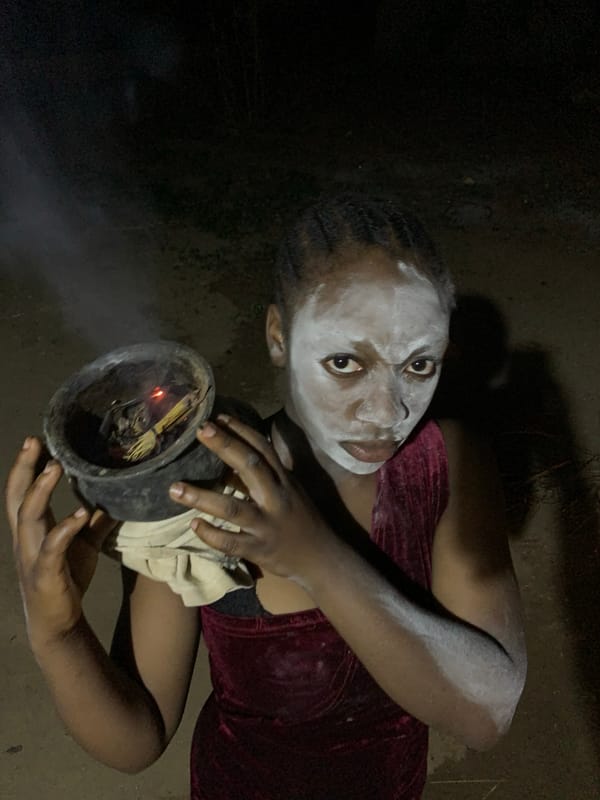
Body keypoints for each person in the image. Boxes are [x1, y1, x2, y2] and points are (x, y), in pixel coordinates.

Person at [5, 194, 527, 800]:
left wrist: (315, 560)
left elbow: (488, 714)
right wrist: (59, 635)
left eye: (418, 366)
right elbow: (137, 740)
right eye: (344, 362)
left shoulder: (445, 463)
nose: (386, 412)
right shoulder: (198, 489)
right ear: (279, 336)